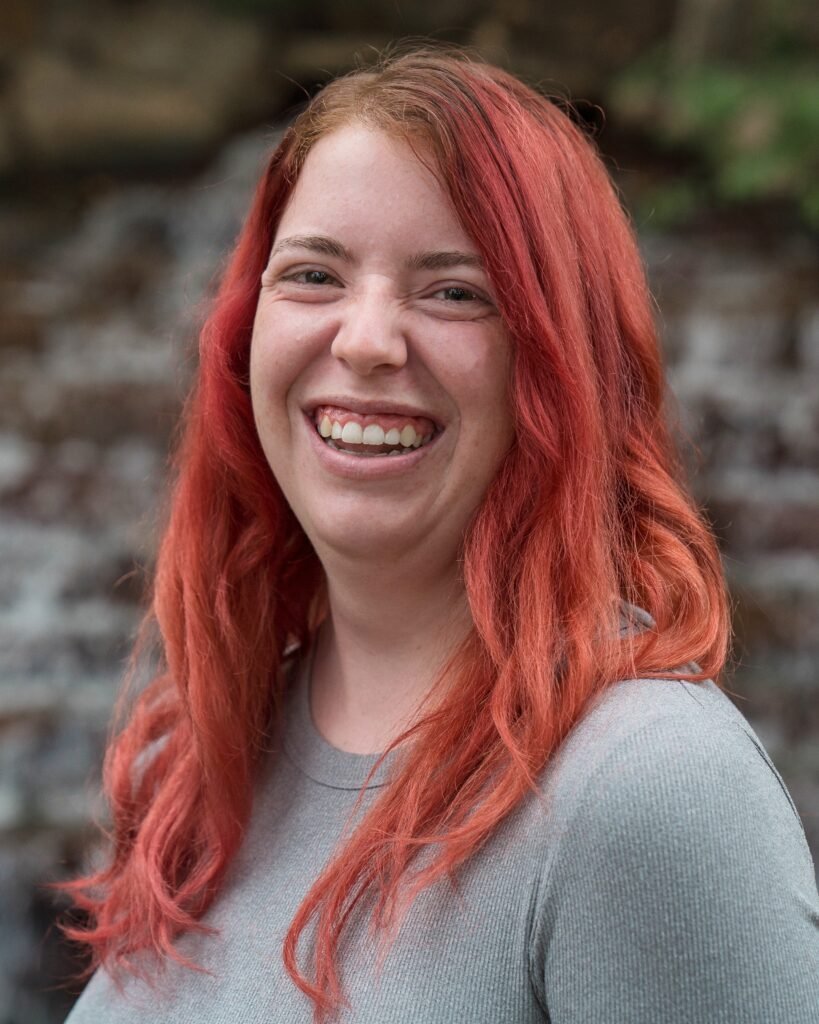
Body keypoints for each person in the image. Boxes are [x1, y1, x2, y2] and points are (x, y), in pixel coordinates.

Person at [54, 45, 818, 1023]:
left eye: (454, 290)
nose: (366, 340)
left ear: (562, 361)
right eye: (314, 275)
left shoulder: (648, 791)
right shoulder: (197, 761)